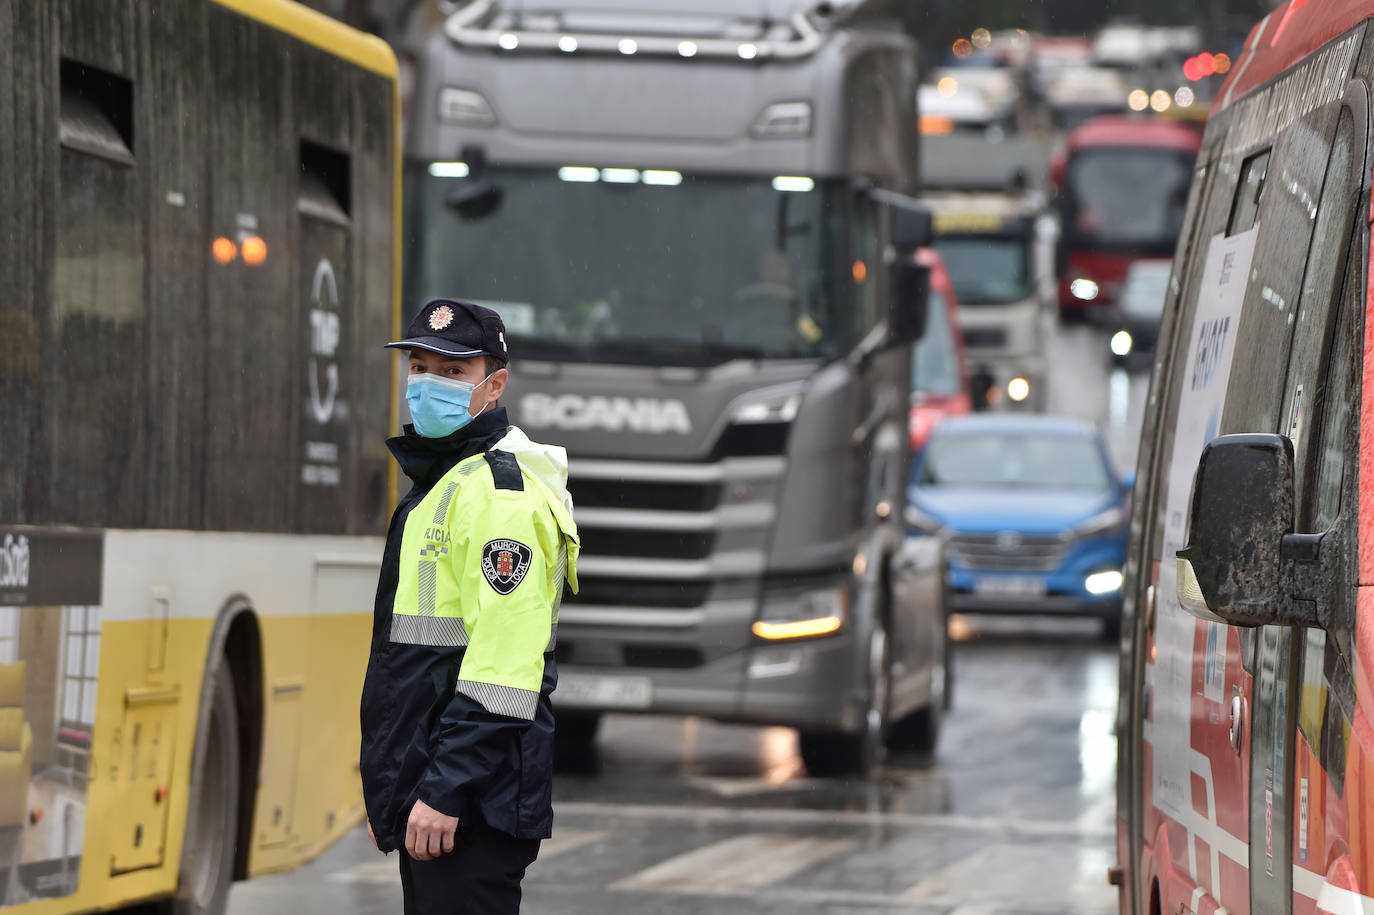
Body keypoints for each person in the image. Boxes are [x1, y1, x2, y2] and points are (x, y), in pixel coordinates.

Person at [359, 298, 579, 915]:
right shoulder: (446, 480)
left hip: (471, 801)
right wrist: (400, 787)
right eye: (420, 367)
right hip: (444, 789)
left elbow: (504, 670)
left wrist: (445, 792)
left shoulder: (499, 495)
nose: (428, 384)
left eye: (453, 372)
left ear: (495, 385)